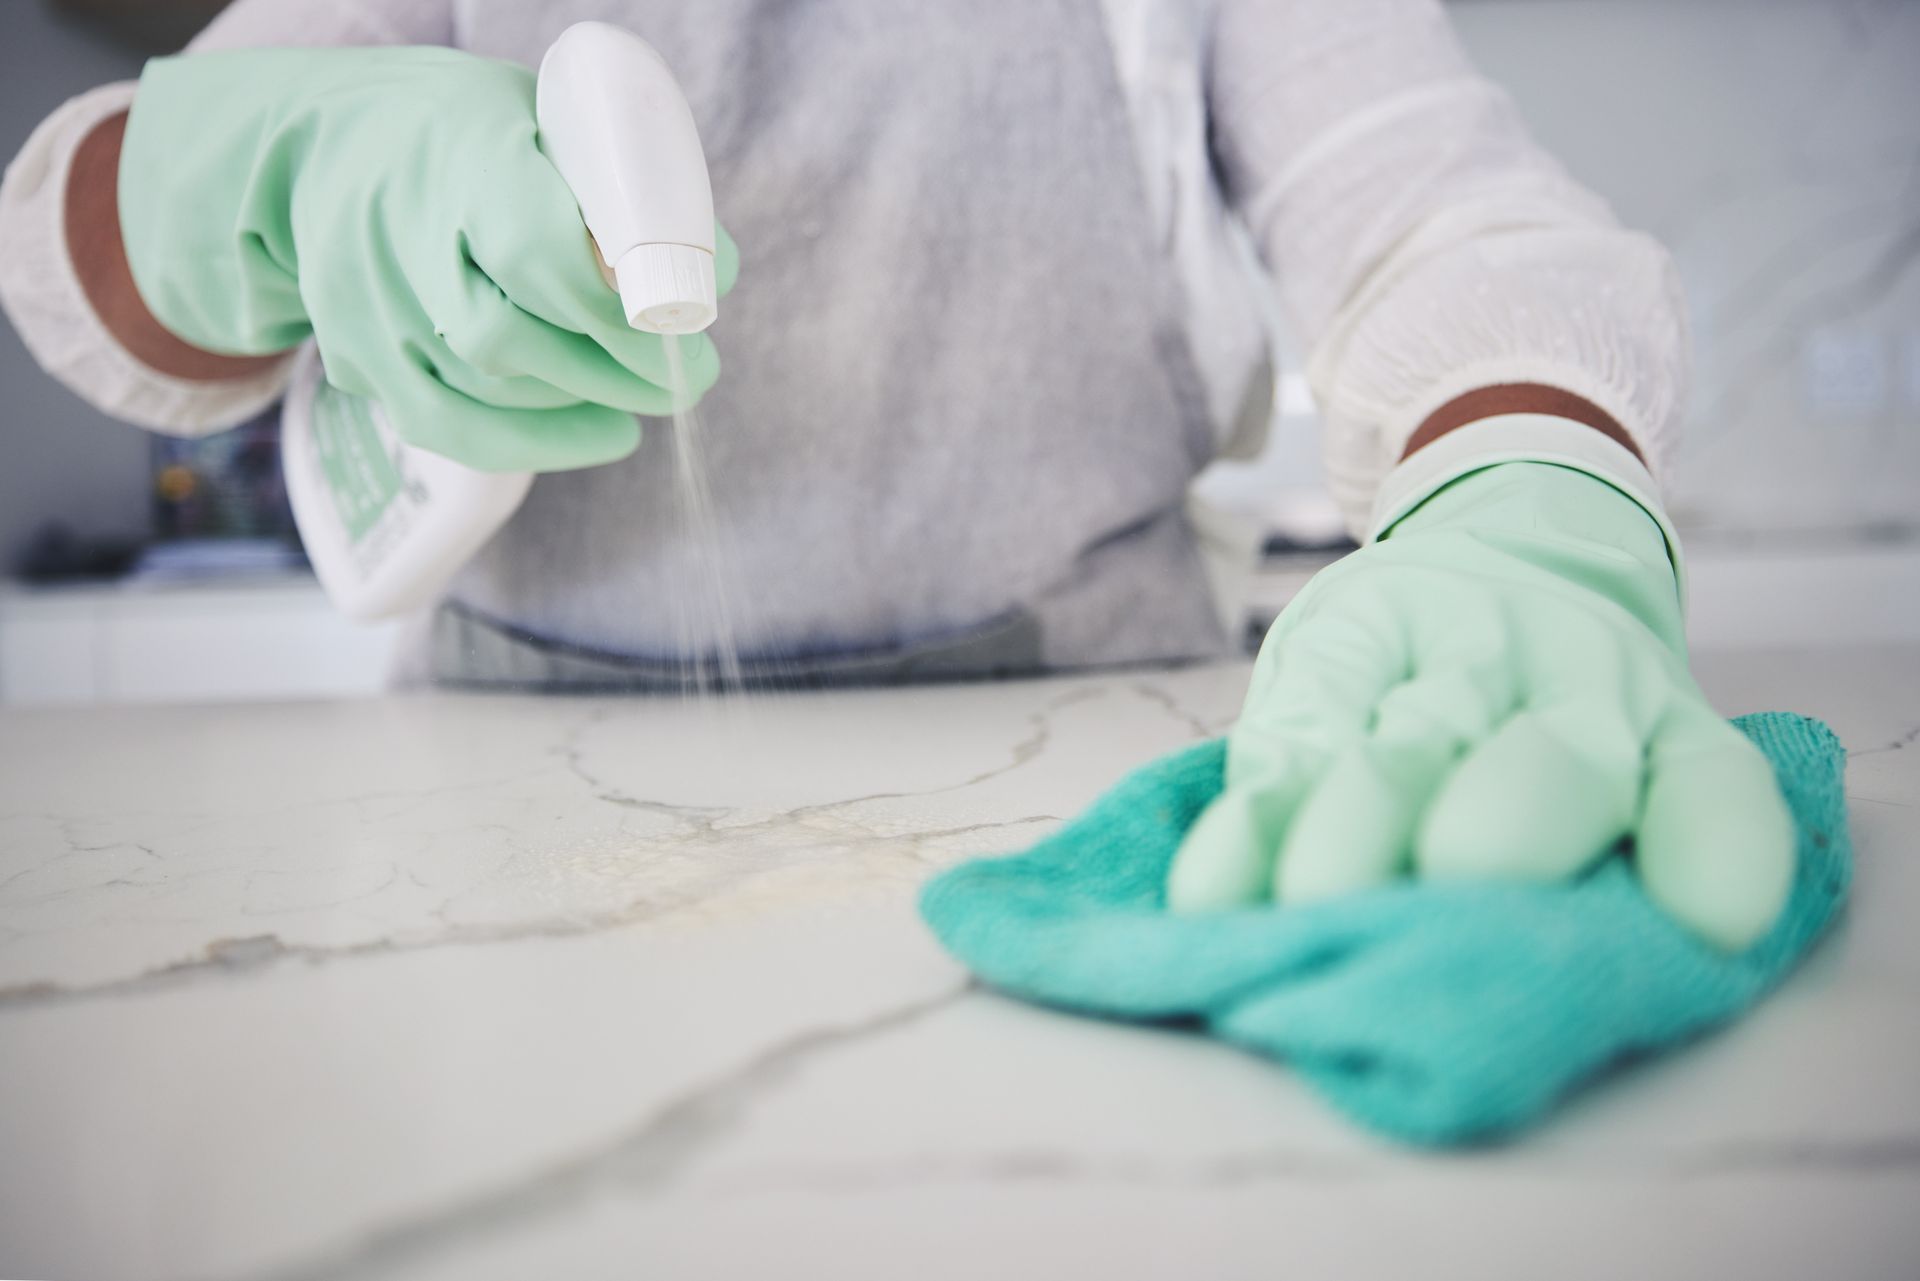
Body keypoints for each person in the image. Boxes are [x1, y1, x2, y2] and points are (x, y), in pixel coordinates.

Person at [0, 0, 1794, 949]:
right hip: (499, 809)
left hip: (1084, 753)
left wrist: (1531, 484)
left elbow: (1435, 207)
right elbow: (91, 278)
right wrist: (261, 171)